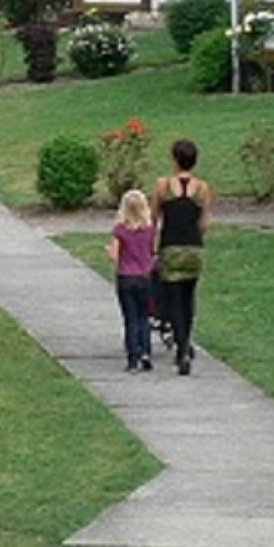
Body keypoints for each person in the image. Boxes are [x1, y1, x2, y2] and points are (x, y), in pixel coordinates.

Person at [152, 138, 212, 376]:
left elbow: (154, 216)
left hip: (170, 248)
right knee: (189, 298)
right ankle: (186, 340)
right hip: (194, 249)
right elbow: (204, 222)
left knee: (173, 300)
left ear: (175, 159)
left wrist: (150, 245)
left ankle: (181, 349)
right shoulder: (203, 188)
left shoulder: (162, 186)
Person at [106, 189, 157, 372]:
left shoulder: (120, 230)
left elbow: (114, 255)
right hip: (145, 276)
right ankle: (146, 352)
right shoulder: (150, 230)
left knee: (130, 318)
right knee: (144, 316)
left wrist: (108, 251)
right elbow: (151, 251)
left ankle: (132, 357)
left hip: (126, 277)